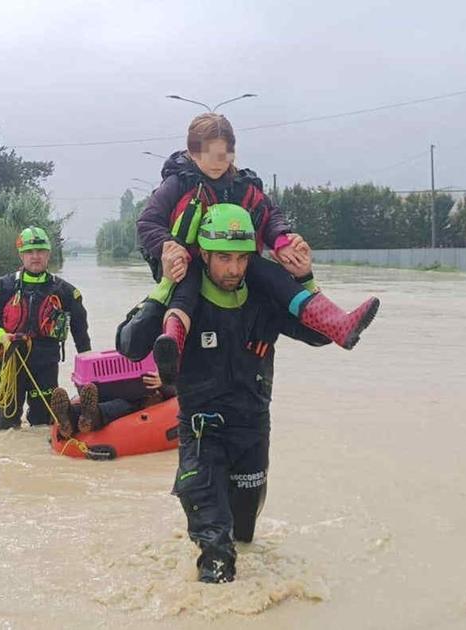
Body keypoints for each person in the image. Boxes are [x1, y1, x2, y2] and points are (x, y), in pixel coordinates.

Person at [119, 204, 375, 583]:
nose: (234, 269)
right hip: (202, 433)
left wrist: (306, 278)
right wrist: (164, 287)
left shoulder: (263, 298)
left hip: (252, 431)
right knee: (217, 551)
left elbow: (321, 336)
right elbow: (129, 343)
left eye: (241, 258)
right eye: (224, 258)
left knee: (245, 535)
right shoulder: (183, 299)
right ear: (203, 254)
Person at [136, 113, 379, 384]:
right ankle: (172, 345)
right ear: (193, 152)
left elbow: (270, 214)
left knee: (274, 276)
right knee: (187, 290)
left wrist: (283, 241)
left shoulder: (243, 184)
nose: (219, 163)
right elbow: (148, 223)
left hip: (238, 262)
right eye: (210, 155)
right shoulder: (177, 183)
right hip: (187, 263)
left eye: (225, 154)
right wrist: (167, 247)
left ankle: (338, 323)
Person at [0, 226, 91, 431]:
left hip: (45, 364)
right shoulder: (4, 287)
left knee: (42, 423)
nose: (35, 256)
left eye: (40, 251)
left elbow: (81, 333)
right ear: (21, 255)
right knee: (5, 423)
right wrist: (1, 335)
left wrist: (89, 370)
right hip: (10, 360)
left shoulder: (66, 291)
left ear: (48, 254)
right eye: (30, 252)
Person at [48, 371, 176, 438]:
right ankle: (70, 416)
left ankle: (78, 417)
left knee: (122, 405)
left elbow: (181, 392)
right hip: (127, 388)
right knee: (119, 402)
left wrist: (164, 381)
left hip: (145, 398)